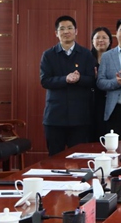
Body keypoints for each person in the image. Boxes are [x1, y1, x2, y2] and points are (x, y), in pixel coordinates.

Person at [40, 15, 97, 156]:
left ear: (76, 31)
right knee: (54, 158)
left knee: (79, 158)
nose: (66, 31)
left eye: (70, 28)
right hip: (55, 117)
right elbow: (45, 81)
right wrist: (65, 79)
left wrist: (79, 79)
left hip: (80, 117)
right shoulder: (48, 55)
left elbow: (92, 80)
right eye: (62, 29)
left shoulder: (86, 54)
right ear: (56, 33)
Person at [90, 26, 113, 140]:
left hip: (110, 102)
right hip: (91, 103)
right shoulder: (86, 58)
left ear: (110, 41)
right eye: (97, 37)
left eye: (104, 37)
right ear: (92, 41)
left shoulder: (115, 58)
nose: (101, 40)